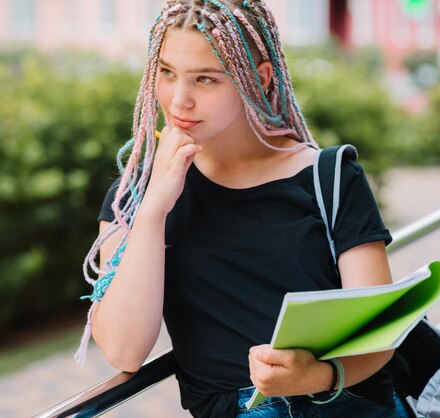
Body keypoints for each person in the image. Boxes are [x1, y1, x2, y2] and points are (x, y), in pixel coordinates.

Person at [76, 1, 409, 417]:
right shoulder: (136, 195)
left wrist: (317, 375)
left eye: (205, 79)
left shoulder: (330, 177)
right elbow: (124, 352)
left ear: (260, 78)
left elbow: (379, 333)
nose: (180, 100)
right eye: (166, 73)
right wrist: (153, 209)